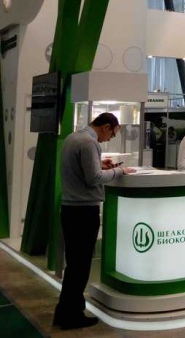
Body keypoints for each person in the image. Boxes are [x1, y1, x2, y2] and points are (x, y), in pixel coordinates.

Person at [54, 113, 136, 330]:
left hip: (71, 209)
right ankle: (72, 315)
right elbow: (93, 179)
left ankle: (65, 311)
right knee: (80, 267)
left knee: (74, 265)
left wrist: (99, 164)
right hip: (83, 211)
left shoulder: (73, 138)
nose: (109, 139)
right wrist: (119, 171)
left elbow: (83, 170)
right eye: (112, 134)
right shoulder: (90, 143)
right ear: (106, 127)